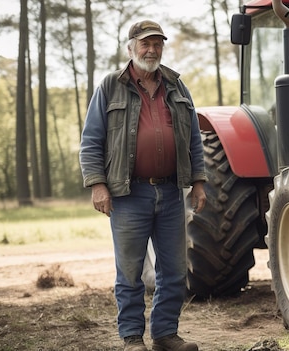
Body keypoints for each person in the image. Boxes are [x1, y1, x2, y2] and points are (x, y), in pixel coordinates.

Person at [79, 20, 206, 351]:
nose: (152, 50)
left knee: (175, 271)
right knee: (130, 273)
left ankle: (165, 335)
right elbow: (91, 140)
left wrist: (198, 182)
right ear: (131, 48)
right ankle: (132, 338)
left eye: (157, 44)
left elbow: (193, 139)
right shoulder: (110, 86)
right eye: (145, 44)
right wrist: (97, 184)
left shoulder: (177, 86)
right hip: (128, 194)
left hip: (171, 191)